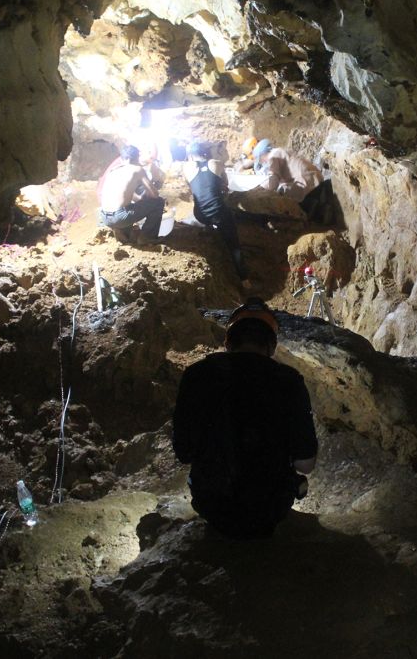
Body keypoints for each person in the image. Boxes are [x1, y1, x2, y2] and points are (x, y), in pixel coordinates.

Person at [172, 298, 318, 538]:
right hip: (269, 508)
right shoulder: (288, 381)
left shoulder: (197, 376)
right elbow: (306, 464)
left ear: (228, 342)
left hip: (213, 505)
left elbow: (184, 452)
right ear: (271, 345)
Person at [181, 141, 250, 285]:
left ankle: (211, 229)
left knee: (211, 215)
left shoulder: (186, 168)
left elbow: (193, 189)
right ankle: (245, 280)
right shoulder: (216, 163)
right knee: (234, 245)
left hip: (200, 214)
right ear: (205, 153)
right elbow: (225, 185)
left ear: (191, 156)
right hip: (219, 212)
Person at [98, 144, 165, 243]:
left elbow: (122, 194)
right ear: (137, 157)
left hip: (104, 217)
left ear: (122, 158)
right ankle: (147, 237)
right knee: (158, 202)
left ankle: (122, 232)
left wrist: (140, 201)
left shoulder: (113, 171)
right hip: (120, 217)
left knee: (128, 206)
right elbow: (154, 195)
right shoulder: (137, 169)